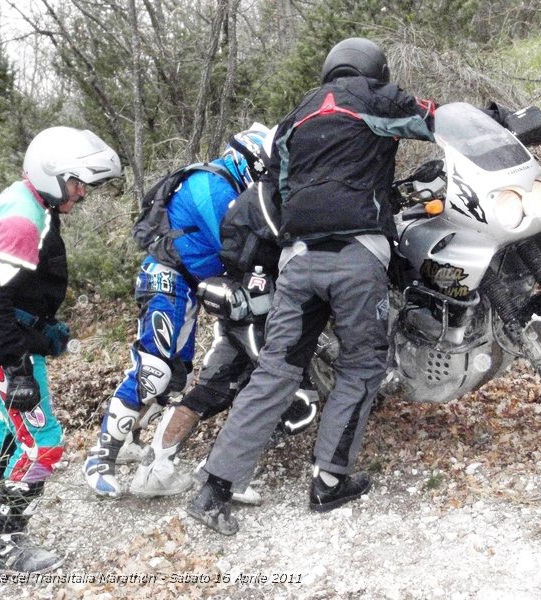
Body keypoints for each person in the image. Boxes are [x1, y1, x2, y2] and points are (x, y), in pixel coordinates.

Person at [185, 37, 437, 535]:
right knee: (362, 366)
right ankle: (328, 481)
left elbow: (277, 190)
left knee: (275, 371)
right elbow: (437, 121)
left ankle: (214, 490)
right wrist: (506, 120)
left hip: (299, 262)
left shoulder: (293, 119)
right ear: (374, 70)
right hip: (356, 258)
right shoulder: (377, 97)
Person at [0, 127, 122, 573]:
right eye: (76, 182)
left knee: (9, 431)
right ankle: (9, 546)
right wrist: (19, 367)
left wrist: (40, 327)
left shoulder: (29, 201)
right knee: (43, 444)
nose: (82, 193)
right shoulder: (23, 218)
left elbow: (6, 292)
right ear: (51, 175)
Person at [83, 124, 273, 499]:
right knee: (153, 371)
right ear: (246, 160)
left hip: (187, 285)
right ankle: (100, 456)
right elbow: (235, 246)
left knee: (175, 378)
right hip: (167, 279)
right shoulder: (212, 186)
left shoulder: (225, 184)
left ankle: (131, 439)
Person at [128, 174, 319, 501]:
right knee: (296, 400)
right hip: (258, 318)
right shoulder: (277, 204)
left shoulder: (243, 201)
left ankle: (156, 471)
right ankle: (223, 472)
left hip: (233, 310)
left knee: (210, 391)